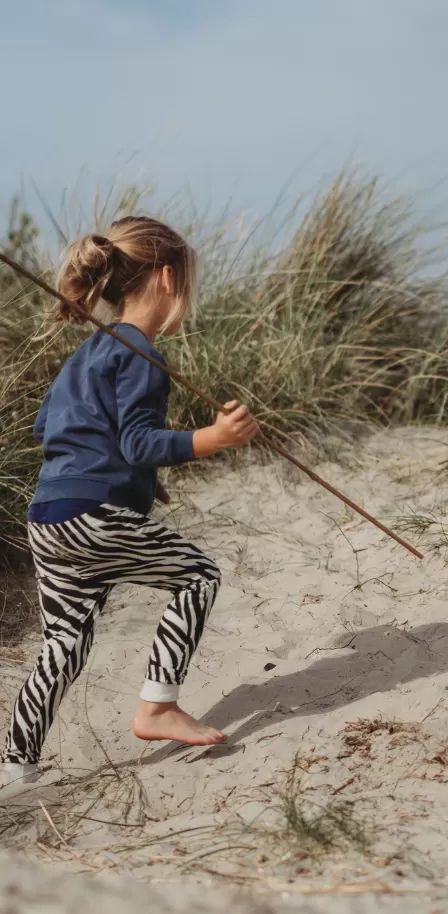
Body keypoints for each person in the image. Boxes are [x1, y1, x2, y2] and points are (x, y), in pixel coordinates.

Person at [1, 217, 257, 794]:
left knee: (63, 642)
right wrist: (212, 439)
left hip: (49, 516)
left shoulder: (86, 354)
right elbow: (136, 440)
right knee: (198, 577)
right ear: (167, 278)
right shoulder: (140, 348)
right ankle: (158, 706)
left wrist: (136, 477)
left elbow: (52, 429)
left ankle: (16, 765)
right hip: (93, 517)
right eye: (188, 282)